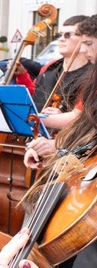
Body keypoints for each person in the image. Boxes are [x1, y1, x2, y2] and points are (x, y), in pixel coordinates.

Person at [0, 16, 97, 268]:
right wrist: (56, 153)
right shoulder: (57, 74)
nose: (87, 53)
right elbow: (81, 137)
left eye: (89, 44)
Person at [25, 15, 97, 165]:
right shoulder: (51, 69)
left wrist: (57, 143)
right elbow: (82, 117)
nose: (83, 49)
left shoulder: (89, 73)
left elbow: (83, 122)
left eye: (88, 43)